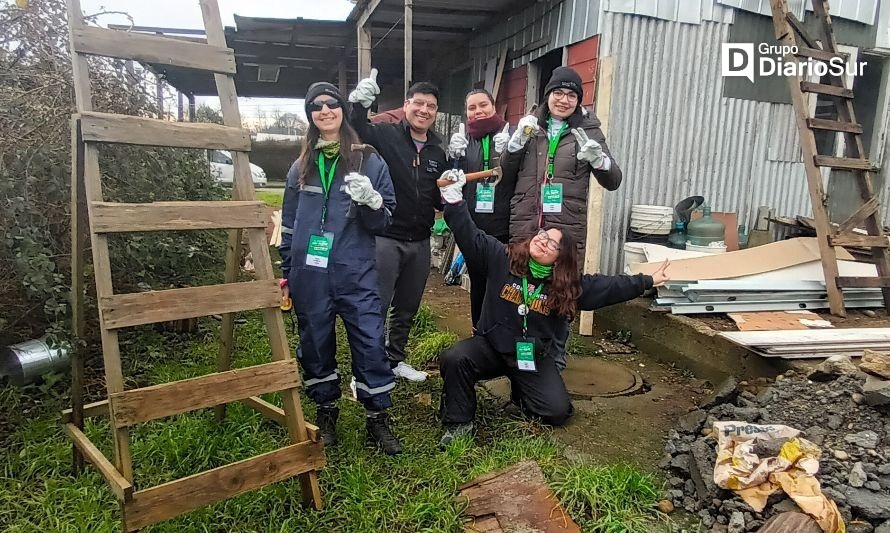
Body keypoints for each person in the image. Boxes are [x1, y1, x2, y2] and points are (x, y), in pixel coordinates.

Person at [434, 172, 669, 446]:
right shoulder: (502, 257)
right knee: (455, 357)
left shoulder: (565, 286)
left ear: (561, 258)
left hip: (531, 357)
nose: (542, 240)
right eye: (543, 234)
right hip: (492, 347)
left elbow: (609, 287)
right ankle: (459, 423)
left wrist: (647, 281)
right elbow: (470, 234)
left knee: (557, 411)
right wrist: (454, 202)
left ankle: (522, 392)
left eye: (552, 244)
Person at [279, 82, 401, 455]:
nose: (325, 109)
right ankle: (326, 409)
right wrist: (286, 270)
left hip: (355, 271)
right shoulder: (300, 167)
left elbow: (384, 221)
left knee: (368, 341)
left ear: (343, 110)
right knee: (314, 342)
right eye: (316, 105)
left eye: (332, 103)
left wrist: (372, 202)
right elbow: (287, 224)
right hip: (309, 275)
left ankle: (377, 417)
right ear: (310, 115)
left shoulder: (368, 160)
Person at [501, 66, 623, 371]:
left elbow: (613, 180)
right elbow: (503, 176)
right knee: (519, 290)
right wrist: (514, 146)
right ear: (547, 96)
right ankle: (517, 359)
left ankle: (554, 363)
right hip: (527, 226)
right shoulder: (530, 127)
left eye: (571, 95)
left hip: (565, 231)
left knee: (562, 295)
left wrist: (601, 161)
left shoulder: (588, 130)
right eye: (558, 92)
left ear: (578, 101)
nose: (564, 100)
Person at [348, 69, 448, 382]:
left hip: (420, 240)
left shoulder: (437, 150)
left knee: (407, 307)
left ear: (435, 112)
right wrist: (359, 105)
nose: (424, 110)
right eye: (418, 103)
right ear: (406, 106)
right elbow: (356, 128)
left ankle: (394, 360)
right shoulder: (388, 134)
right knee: (376, 304)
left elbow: (439, 198)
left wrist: (453, 188)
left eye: (431, 106)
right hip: (386, 237)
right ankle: (365, 367)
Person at [446, 89, 514, 330]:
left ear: (493, 106)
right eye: (472, 108)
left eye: (483, 105)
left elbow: (517, 174)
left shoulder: (510, 135)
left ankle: (503, 332)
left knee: (503, 283)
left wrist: (510, 152)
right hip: (474, 226)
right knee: (478, 281)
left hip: (504, 227)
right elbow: (454, 180)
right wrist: (454, 157)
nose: (478, 111)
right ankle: (479, 333)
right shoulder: (465, 140)